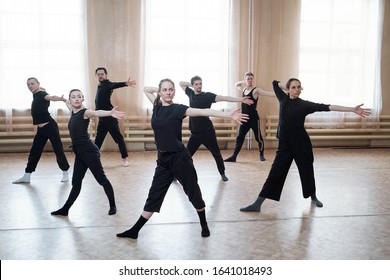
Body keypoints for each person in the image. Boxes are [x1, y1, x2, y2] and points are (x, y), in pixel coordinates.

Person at [116, 78, 248, 239]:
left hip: (180, 159)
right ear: (160, 91)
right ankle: (135, 231)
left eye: (171, 89)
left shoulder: (179, 109)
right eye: (165, 89)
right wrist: (159, 90)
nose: (168, 92)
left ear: (175, 91)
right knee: (154, 195)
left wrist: (227, 115)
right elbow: (145, 89)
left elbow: (203, 111)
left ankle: (204, 224)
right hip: (163, 160)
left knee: (193, 193)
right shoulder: (156, 106)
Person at [240, 78, 371, 212]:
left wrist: (352, 109)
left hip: (301, 144)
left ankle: (313, 197)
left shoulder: (304, 105)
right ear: (288, 89)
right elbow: (274, 82)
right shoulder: (282, 99)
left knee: (306, 171)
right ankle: (257, 204)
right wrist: (285, 85)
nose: (297, 89)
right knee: (275, 174)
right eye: (294, 87)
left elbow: (328, 107)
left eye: (299, 87)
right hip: (284, 145)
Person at [51, 89, 123, 216]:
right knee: (76, 183)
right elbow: (67, 102)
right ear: (70, 99)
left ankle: (113, 205)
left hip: (89, 152)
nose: (76, 99)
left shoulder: (85, 112)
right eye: (73, 97)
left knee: (102, 180)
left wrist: (109, 113)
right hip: (80, 154)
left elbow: (97, 112)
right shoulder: (72, 110)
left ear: (83, 99)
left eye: (79, 96)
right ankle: (65, 209)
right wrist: (62, 99)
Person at [179, 76, 254, 181]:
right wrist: (192, 85)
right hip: (195, 133)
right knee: (186, 155)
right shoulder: (190, 93)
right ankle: (176, 175)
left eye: (200, 83)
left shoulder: (207, 96)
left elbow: (223, 97)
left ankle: (222, 173)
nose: (199, 86)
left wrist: (240, 99)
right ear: (193, 85)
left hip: (207, 132)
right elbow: (181, 83)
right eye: (196, 84)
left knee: (216, 154)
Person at [13, 77, 70, 184]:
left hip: (50, 127)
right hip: (41, 129)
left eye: (32, 84)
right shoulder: (36, 93)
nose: (30, 86)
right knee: (34, 152)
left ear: (38, 83)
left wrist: (61, 99)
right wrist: (41, 88)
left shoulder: (42, 94)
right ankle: (27, 175)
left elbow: (51, 97)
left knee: (58, 150)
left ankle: (65, 172)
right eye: (28, 84)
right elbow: (41, 92)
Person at [224, 72, 274, 162]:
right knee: (240, 137)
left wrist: (279, 94)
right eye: (248, 79)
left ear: (253, 80)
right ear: (245, 80)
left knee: (258, 138)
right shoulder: (243, 90)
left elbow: (266, 93)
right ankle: (234, 156)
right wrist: (243, 82)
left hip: (254, 119)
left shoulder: (255, 90)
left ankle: (261, 154)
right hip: (244, 119)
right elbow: (236, 84)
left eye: (251, 78)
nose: (250, 80)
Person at [94, 67, 136, 167]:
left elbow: (115, 85)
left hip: (110, 116)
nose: (100, 76)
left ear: (106, 75)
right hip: (102, 117)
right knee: (98, 140)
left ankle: (125, 159)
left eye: (102, 74)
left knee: (118, 138)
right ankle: (93, 159)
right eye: (98, 74)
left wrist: (125, 83)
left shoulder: (108, 84)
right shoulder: (99, 85)